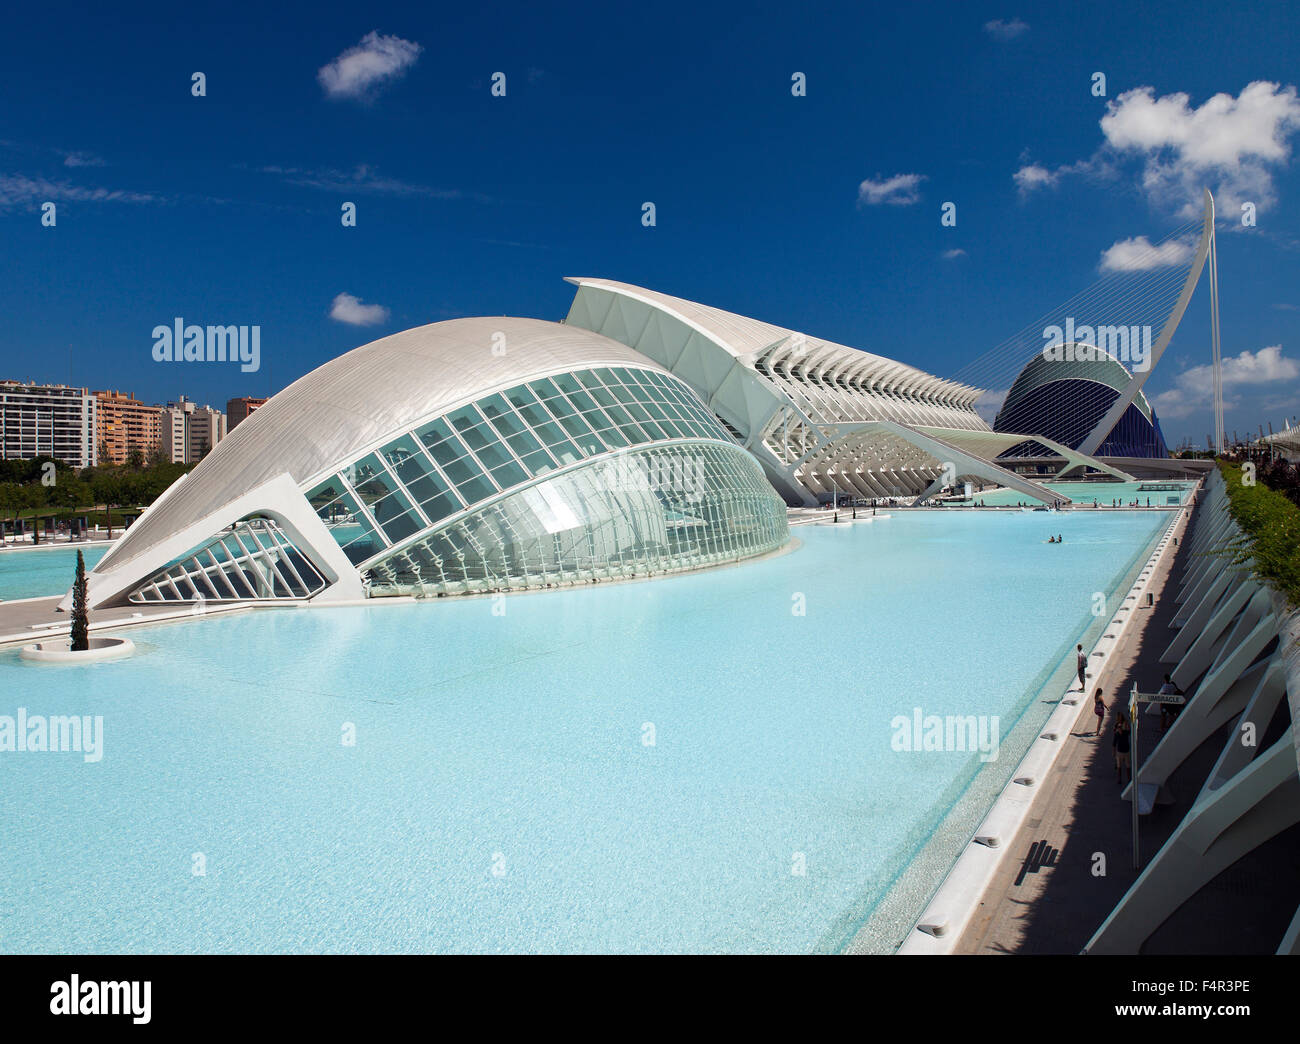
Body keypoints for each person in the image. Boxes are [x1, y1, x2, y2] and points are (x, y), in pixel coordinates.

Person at [1113, 711, 1131, 785]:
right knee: (1120, 766)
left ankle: (1128, 778)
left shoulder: (1124, 732)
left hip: (1125, 750)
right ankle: (1120, 779)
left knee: (1127, 766)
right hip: (1120, 751)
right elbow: (1114, 742)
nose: (1119, 729)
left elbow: (1129, 732)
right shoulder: (1119, 732)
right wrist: (1113, 751)